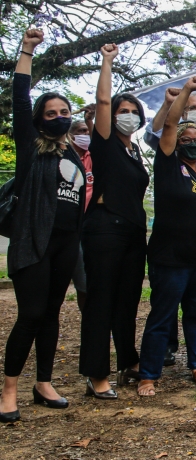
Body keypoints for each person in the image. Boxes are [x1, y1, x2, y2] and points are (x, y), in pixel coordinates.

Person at [2, 29, 86, 422]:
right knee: (31, 313)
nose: (59, 118)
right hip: (32, 241)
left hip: (66, 244)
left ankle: (44, 383)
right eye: (51, 114)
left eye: (63, 113)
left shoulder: (73, 149)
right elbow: (20, 98)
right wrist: (27, 51)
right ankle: (9, 389)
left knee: (52, 313)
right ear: (39, 120)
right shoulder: (30, 146)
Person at [137, 76, 196, 397]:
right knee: (163, 315)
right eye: (186, 137)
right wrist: (186, 93)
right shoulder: (169, 164)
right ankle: (149, 374)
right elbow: (169, 127)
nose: (191, 140)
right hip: (170, 259)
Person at [80, 44, 151, 399]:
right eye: (124, 110)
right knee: (101, 301)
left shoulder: (134, 150)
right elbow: (103, 102)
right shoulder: (104, 140)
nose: (128, 115)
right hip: (106, 228)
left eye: (134, 111)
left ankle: (128, 361)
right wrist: (107, 62)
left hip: (134, 232)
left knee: (127, 300)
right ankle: (96, 375)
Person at [68, 106, 95, 312]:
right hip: (69, 225)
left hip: (90, 223)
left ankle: (91, 319)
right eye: (80, 132)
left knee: (89, 280)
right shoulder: (66, 157)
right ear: (70, 135)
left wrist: (90, 121)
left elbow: (99, 141)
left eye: (87, 132)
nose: (85, 135)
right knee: (80, 280)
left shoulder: (92, 156)